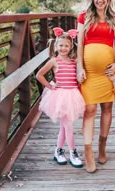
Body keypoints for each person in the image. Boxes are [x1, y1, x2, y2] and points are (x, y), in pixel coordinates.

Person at [77, 0, 115, 173]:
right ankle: (88, 152)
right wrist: (80, 66)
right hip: (89, 71)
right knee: (89, 109)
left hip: (107, 71)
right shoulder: (84, 17)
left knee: (107, 107)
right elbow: (79, 45)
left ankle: (102, 146)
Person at [36, 27, 85, 168]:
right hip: (60, 96)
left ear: (71, 47)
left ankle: (58, 151)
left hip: (72, 94)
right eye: (61, 45)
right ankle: (73, 152)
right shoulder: (54, 61)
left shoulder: (74, 61)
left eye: (66, 46)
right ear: (56, 46)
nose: (63, 48)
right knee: (68, 125)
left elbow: (76, 76)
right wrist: (50, 86)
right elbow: (39, 75)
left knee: (64, 127)